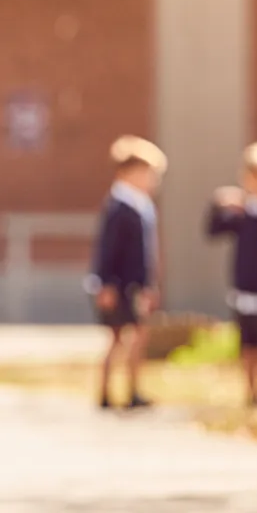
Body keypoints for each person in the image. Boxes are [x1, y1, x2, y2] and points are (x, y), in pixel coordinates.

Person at [86, 135, 166, 410]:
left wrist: (150, 284)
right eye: (146, 174)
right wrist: (105, 284)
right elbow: (106, 250)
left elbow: (146, 254)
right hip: (118, 284)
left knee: (139, 336)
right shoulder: (119, 206)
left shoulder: (141, 206)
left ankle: (133, 390)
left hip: (136, 283)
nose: (151, 181)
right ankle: (106, 393)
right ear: (128, 172)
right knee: (117, 338)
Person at [206, 142, 257, 406]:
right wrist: (219, 204)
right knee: (249, 346)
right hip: (245, 288)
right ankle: (250, 392)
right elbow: (212, 231)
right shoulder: (242, 212)